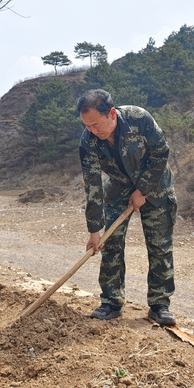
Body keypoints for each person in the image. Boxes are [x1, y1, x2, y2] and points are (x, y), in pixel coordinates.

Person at [77, 89, 178, 326]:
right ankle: (111, 302)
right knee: (111, 244)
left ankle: (159, 304)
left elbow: (160, 152)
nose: (93, 131)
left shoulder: (139, 118)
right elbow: (92, 186)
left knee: (159, 245)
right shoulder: (88, 140)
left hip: (155, 185)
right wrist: (94, 231)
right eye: (87, 126)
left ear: (112, 113)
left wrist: (142, 189)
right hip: (118, 187)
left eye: (96, 124)